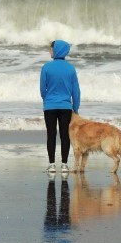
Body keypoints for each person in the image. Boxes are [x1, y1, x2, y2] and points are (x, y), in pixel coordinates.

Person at [40, 40, 81, 174]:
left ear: (57, 50)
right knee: (65, 135)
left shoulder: (46, 67)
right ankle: (64, 165)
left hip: (50, 107)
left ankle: (52, 165)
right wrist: (75, 107)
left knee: (51, 135)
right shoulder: (70, 68)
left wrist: (47, 100)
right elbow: (76, 91)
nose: (50, 51)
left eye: (51, 49)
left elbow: (42, 90)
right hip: (65, 107)